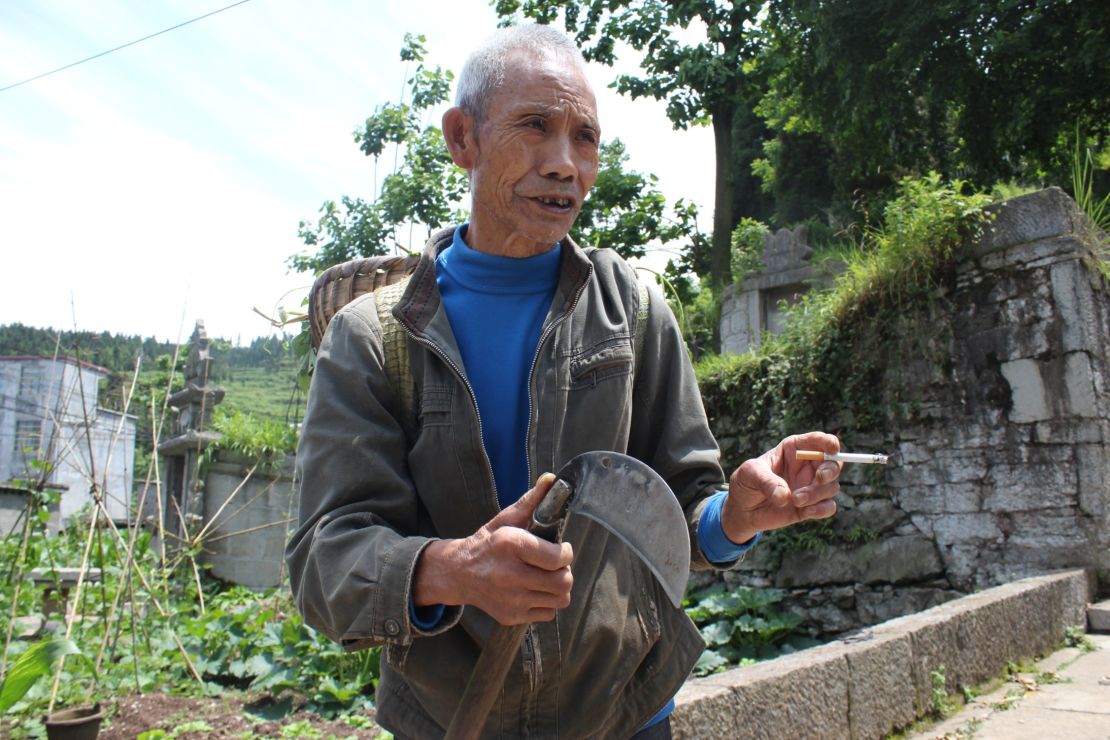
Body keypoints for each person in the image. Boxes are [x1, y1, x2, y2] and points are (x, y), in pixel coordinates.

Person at [286, 23, 842, 739]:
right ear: (463, 139)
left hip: (624, 716)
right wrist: (453, 570)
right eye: (534, 127)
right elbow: (322, 564)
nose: (564, 164)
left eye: (585, 138)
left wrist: (737, 516)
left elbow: (679, 513)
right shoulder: (373, 337)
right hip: (452, 718)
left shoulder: (633, 309)